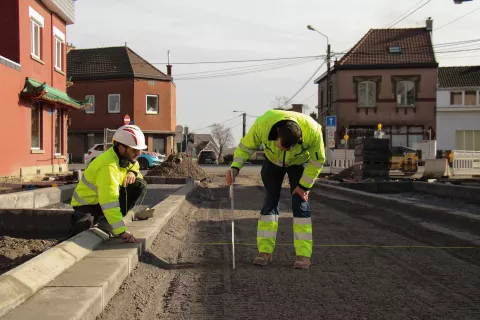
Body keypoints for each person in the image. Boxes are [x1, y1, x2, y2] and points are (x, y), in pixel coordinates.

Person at [226, 109, 325, 269]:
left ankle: (303, 255)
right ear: (277, 134)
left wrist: (304, 186)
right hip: (272, 163)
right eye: (283, 146)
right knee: (270, 202)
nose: (286, 149)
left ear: (300, 138)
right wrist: (235, 167)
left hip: (299, 164)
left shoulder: (313, 130)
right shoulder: (262, 124)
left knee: (300, 204)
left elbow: (318, 160)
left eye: (290, 146)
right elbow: (245, 147)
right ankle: (264, 252)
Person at [70, 125, 148, 243]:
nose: (138, 153)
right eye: (134, 150)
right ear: (121, 148)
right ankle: (108, 224)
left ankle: (108, 223)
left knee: (139, 184)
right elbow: (109, 202)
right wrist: (121, 231)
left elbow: (134, 164)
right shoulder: (108, 166)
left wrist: (132, 172)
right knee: (82, 233)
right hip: (87, 206)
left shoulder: (124, 158)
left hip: (99, 203)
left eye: (139, 150)